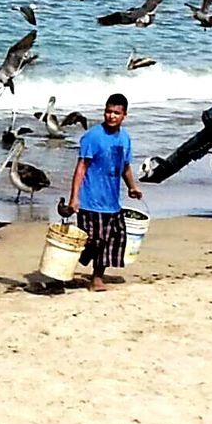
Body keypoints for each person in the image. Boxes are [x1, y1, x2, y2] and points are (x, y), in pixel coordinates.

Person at [67, 93, 143, 291]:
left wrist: (132, 187)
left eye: (116, 113)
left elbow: (124, 167)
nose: (111, 116)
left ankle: (97, 278)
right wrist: (74, 197)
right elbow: (81, 167)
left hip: (111, 201)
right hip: (90, 199)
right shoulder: (92, 136)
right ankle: (66, 268)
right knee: (92, 240)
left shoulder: (125, 138)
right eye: (108, 111)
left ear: (124, 115)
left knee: (112, 240)